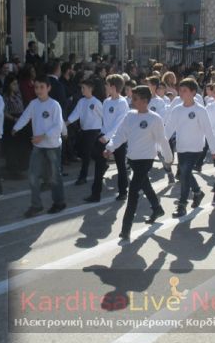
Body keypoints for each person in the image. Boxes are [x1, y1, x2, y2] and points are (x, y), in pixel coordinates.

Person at [104, 86, 173, 240]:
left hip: (146, 159)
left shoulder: (155, 118)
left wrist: (168, 158)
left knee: (133, 192)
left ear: (144, 101)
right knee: (145, 184)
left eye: (134, 98)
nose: (131, 101)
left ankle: (125, 229)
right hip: (133, 159)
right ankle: (157, 208)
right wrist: (110, 147)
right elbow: (120, 134)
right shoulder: (130, 116)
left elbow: (162, 140)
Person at [12, 75, 66, 217]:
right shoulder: (33, 104)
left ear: (48, 88)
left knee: (55, 176)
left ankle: (59, 202)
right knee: (33, 175)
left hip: (53, 146)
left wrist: (42, 136)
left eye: (42, 87)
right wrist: (16, 128)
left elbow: (58, 126)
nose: (38, 90)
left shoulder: (54, 105)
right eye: (36, 87)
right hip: (38, 146)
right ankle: (36, 205)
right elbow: (25, 117)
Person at [164, 78, 215, 218]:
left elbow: (208, 130)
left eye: (185, 90)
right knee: (184, 173)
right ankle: (198, 192)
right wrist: (159, 145)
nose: (181, 93)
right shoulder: (177, 109)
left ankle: (182, 205)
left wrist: (214, 150)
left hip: (195, 148)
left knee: (185, 173)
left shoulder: (200, 110)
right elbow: (168, 129)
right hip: (181, 147)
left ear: (193, 92)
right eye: (180, 90)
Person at [84, 74, 129, 202]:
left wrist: (108, 137)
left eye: (107, 84)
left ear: (113, 87)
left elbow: (119, 123)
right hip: (104, 137)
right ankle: (95, 194)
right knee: (98, 165)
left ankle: (123, 192)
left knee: (121, 166)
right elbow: (105, 121)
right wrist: (102, 135)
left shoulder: (122, 103)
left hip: (119, 139)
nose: (105, 86)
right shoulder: (106, 101)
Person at [66, 78, 103, 185]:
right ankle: (102, 162)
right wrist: (67, 122)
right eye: (81, 88)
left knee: (86, 154)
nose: (82, 90)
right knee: (89, 152)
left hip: (94, 131)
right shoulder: (81, 101)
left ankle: (83, 177)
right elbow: (76, 113)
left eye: (84, 88)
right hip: (84, 130)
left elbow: (104, 116)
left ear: (90, 89)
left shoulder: (96, 102)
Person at [2, 74, 27, 178]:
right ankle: (13, 170)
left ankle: (19, 167)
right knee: (12, 147)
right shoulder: (5, 97)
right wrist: (14, 119)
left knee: (20, 146)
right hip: (11, 121)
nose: (16, 86)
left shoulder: (18, 95)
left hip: (20, 119)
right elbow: (4, 112)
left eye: (16, 84)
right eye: (14, 84)